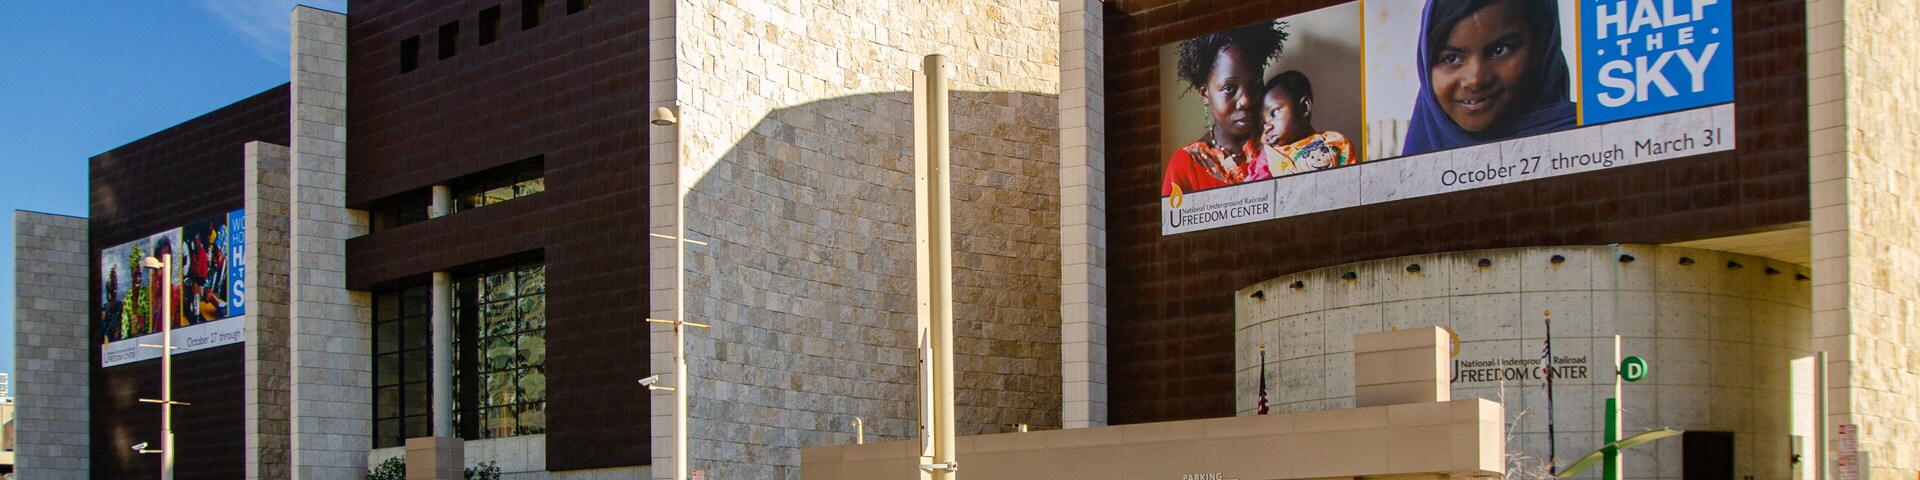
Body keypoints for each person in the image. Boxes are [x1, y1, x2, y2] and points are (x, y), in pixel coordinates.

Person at [1401, 0, 1575, 156]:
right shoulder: (1409, 178)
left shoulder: (1589, 146)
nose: (1475, 80)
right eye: (1451, 58)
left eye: (1499, 50)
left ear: (1540, 45)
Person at [1163, 21, 1289, 196]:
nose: (1246, 100)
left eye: (1255, 84)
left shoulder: (1283, 144)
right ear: (1204, 94)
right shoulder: (1185, 166)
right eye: (1229, 88)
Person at [1260, 70, 1355, 176]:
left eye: (1274, 113)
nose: (1267, 127)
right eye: (1262, 125)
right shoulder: (1267, 157)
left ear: (1304, 108)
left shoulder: (1336, 143)